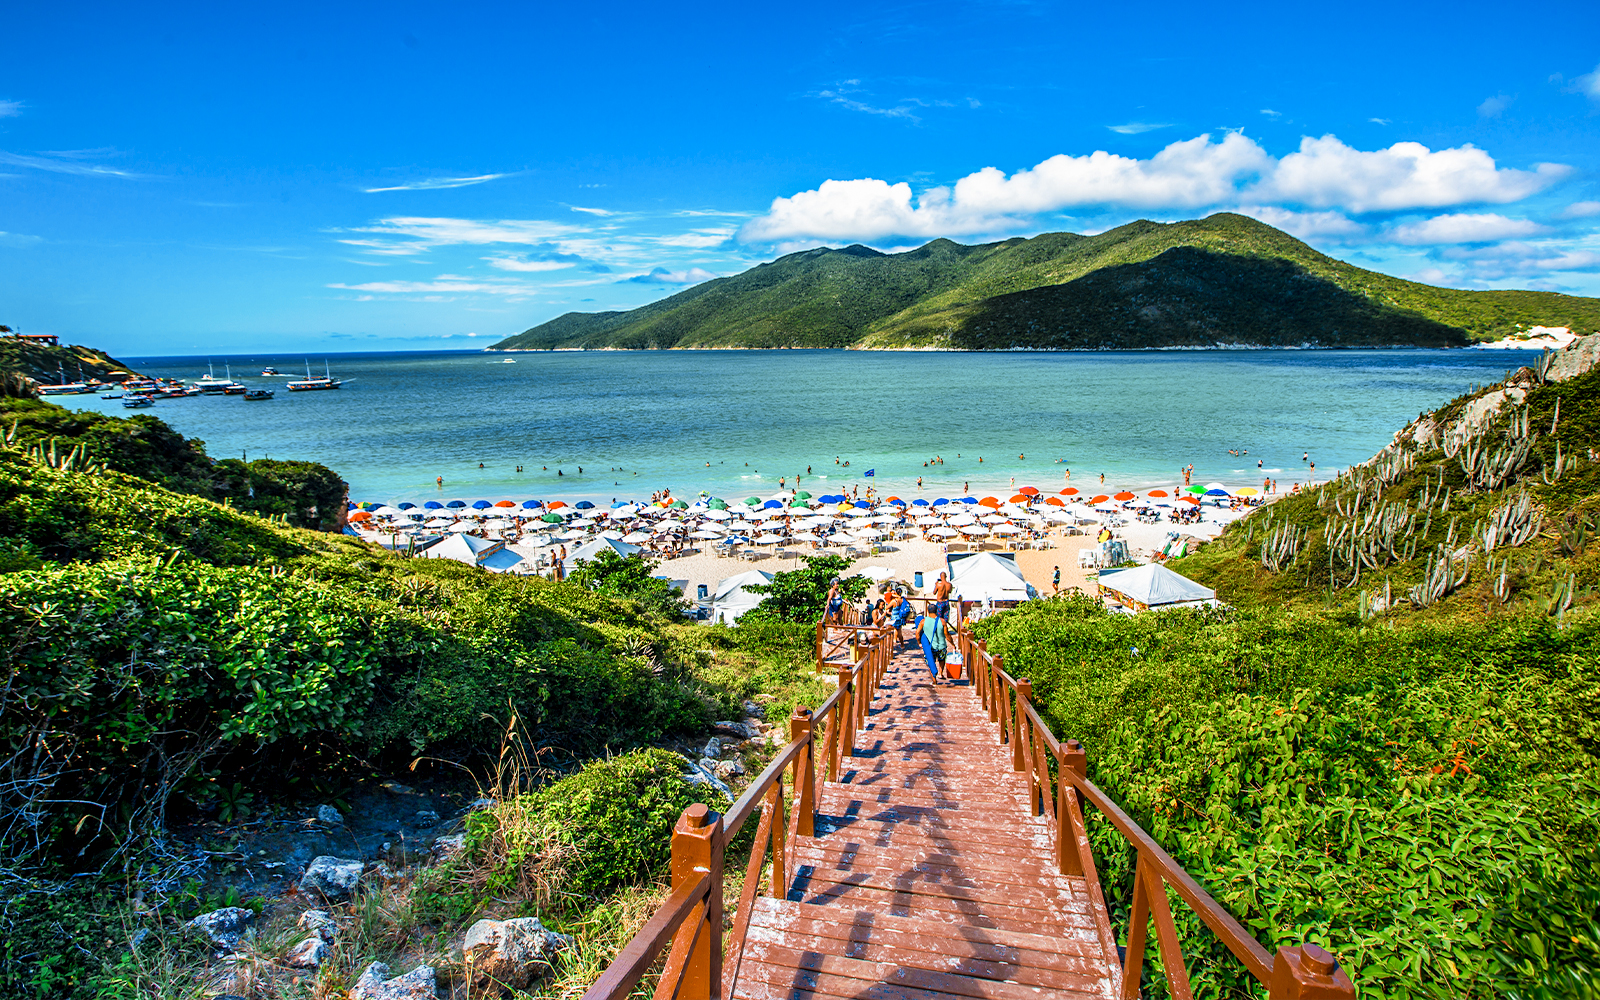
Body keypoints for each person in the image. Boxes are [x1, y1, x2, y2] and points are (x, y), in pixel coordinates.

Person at [917, 606, 954, 682]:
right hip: (941, 645)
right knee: (942, 659)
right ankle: (940, 673)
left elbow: (917, 633)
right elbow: (947, 635)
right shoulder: (942, 621)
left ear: (928, 611)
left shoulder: (923, 622)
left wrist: (919, 642)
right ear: (936, 611)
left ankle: (934, 679)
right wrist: (952, 644)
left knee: (931, 661)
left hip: (930, 646)